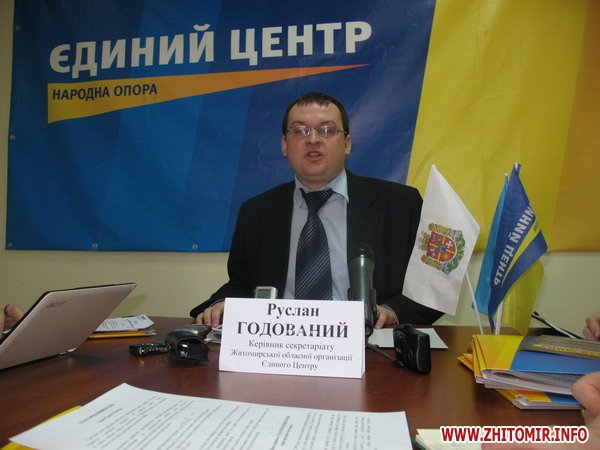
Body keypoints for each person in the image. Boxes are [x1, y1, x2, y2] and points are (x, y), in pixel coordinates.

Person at [191, 92, 443, 328]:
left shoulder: (401, 204)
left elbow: (433, 283)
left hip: (367, 343)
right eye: (300, 131)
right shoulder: (257, 211)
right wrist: (223, 304)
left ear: (347, 144)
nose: (313, 139)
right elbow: (242, 283)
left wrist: (393, 311)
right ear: (284, 145)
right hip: (279, 343)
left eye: (327, 130)